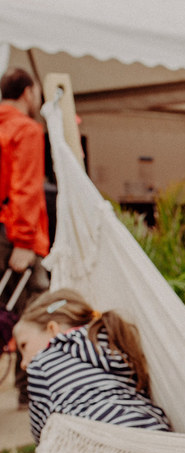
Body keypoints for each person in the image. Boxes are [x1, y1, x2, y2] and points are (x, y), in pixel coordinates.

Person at [12, 288, 171, 442]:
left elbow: (41, 432)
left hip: (101, 443)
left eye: (24, 346)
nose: (24, 364)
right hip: (154, 432)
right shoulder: (116, 345)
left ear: (53, 329)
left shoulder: (42, 363)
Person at [0, 67, 51, 407]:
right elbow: (27, 188)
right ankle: (31, 390)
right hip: (13, 232)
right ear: (28, 92)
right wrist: (24, 240)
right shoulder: (25, 129)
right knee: (33, 310)